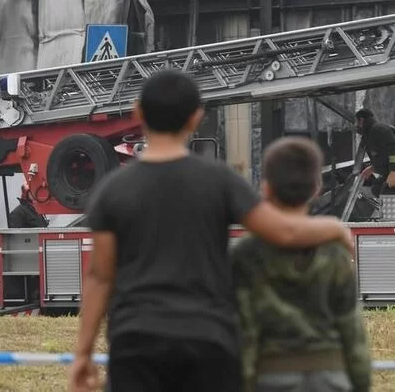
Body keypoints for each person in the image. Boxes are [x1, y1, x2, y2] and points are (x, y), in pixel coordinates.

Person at [68, 70, 354, 392]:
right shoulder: (219, 180)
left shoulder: (111, 190)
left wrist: (83, 352)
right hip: (209, 338)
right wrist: (334, 228)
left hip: (136, 340)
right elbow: (282, 232)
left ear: (138, 113)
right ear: (196, 118)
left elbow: (100, 276)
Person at [233, 137, 371, 392]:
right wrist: (360, 383)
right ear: (316, 188)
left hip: (270, 377)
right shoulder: (334, 253)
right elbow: (351, 330)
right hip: (331, 378)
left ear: (266, 189)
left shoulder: (247, 253)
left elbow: (245, 331)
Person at [356, 108, 395, 196]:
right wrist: (373, 167)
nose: (356, 125)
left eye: (356, 122)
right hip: (388, 172)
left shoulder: (378, 130)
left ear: (361, 120)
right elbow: (383, 155)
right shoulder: (369, 134)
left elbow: (393, 150)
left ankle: (389, 209)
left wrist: (393, 172)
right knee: (377, 188)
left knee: (387, 194)